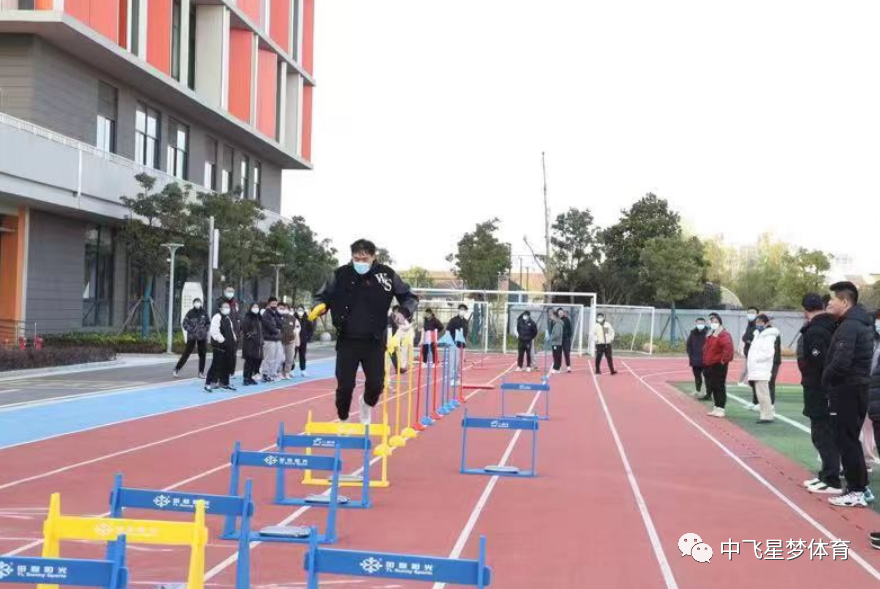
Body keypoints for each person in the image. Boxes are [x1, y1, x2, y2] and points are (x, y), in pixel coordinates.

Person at [311, 238, 418, 424]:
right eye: (356, 258)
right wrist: (319, 306)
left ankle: (366, 404)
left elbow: (410, 297)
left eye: (364, 258)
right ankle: (343, 417)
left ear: (373, 256)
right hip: (347, 339)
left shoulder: (386, 275)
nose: (360, 262)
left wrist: (403, 312)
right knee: (345, 386)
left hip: (374, 340)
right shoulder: (340, 274)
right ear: (351, 256)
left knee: (376, 384)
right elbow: (321, 296)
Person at [823, 281, 875, 508]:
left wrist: (826, 380)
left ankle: (856, 490)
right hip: (856, 387)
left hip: (847, 389)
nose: (830, 302)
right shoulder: (858, 323)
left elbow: (841, 362)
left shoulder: (849, 326)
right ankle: (861, 487)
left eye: (833, 299)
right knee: (850, 438)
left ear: (845, 302)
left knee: (846, 440)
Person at [797, 293, 841, 494]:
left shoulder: (816, 330)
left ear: (805, 309)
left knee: (822, 434)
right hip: (824, 387)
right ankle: (826, 475)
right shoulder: (830, 325)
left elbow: (820, 361)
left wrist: (821, 384)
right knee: (824, 432)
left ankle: (831, 479)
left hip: (820, 388)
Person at [747, 314, 779, 424]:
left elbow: (769, 353)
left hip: (762, 368)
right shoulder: (757, 335)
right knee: (760, 394)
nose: (758, 324)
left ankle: (767, 416)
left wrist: (755, 359)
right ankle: (765, 414)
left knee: (763, 394)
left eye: (760, 322)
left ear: (766, 323)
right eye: (757, 322)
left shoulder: (768, 336)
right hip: (756, 368)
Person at [704, 312, 735, 418]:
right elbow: (708, 349)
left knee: (719, 386)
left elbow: (728, 347)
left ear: (720, 323)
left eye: (716, 321)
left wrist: (723, 360)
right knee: (713, 386)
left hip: (719, 364)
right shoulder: (712, 334)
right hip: (711, 363)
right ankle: (716, 407)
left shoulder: (723, 334)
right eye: (712, 321)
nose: (714, 323)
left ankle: (721, 408)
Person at [205, 301, 237, 392]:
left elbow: (231, 330)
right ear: (220, 308)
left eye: (228, 307)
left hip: (229, 347)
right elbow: (214, 332)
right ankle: (209, 383)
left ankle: (224, 383)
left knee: (227, 365)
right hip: (220, 347)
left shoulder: (227, 318)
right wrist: (223, 341)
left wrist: (234, 339)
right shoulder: (217, 317)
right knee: (216, 365)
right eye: (225, 307)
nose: (227, 308)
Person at [174, 298, 209, 378]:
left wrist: (204, 330)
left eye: (199, 302)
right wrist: (190, 329)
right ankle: (177, 369)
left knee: (202, 354)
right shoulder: (190, 313)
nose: (197, 304)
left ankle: (201, 372)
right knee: (186, 353)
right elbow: (184, 323)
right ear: (193, 303)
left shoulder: (204, 312)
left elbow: (208, 323)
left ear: (201, 303)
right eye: (196, 302)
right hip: (192, 336)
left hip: (202, 337)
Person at [216, 286, 242, 377]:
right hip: (224, 332)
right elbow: (216, 316)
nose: (230, 293)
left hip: (234, 332)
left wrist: (239, 329)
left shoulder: (235, 303)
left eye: (232, 291)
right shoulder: (219, 302)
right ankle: (221, 374)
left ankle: (231, 372)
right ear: (224, 291)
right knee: (224, 354)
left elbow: (238, 316)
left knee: (233, 353)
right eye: (228, 291)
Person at [241, 302, 264, 386]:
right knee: (248, 361)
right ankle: (246, 378)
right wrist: (251, 336)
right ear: (250, 308)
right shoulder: (248, 317)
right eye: (254, 307)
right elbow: (245, 330)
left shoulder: (259, 317)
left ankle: (250, 377)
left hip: (257, 343)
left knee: (254, 361)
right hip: (249, 343)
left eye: (257, 307)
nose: (256, 308)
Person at [261, 296, 284, 382]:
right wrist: (277, 330)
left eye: (276, 303)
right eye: (273, 303)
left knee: (278, 357)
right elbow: (271, 327)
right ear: (269, 304)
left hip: (277, 339)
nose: (274, 305)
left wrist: (277, 314)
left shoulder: (275, 314)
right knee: (269, 358)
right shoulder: (266, 314)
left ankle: (272, 374)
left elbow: (281, 324)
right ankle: (265, 374)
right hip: (269, 339)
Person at [686, 317, 709, 399]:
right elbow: (688, 344)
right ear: (696, 323)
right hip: (695, 359)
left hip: (706, 359)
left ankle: (708, 392)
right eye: (699, 323)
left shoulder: (708, 332)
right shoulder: (692, 332)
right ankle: (697, 390)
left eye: (702, 323)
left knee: (707, 376)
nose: (700, 324)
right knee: (697, 376)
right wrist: (690, 355)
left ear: (705, 323)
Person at [279, 303, 300, 380]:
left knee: (290, 358)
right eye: (283, 308)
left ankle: (287, 372)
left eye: (287, 308)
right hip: (281, 341)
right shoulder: (279, 317)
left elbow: (297, 328)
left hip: (290, 341)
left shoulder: (293, 318)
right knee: (280, 358)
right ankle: (280, 372)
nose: (285, 310)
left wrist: (295, 335)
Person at [740, 306, 759, 388]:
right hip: (748, 350)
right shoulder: (749, 325)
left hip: (755, 351)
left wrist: (751, 341)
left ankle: (746, 382)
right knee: (748, 367)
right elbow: (744, 337)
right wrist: (748, 341)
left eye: (752, 312)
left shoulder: (757, 325)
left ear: (757, 314)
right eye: (749, 312)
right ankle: (741, 381)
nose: (750, 314)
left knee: (751, 368)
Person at [294, 304, 313, 377]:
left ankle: (303, 370)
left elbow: (311, 329)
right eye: (299, 310)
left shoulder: (307, 318)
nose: (300, 311)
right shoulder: (293, 318)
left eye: (301, 310)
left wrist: (308, 337)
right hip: (295, 340)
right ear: (296, 310)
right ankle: (291, 370)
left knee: (302, 355)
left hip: (303, 340)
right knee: (293, 355)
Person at [558, 308, 574, 373]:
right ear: (558, 313)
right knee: (558, 354)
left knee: (566, 353)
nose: (560, 313)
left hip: (566, 339)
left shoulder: (566, 319)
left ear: (563, 313)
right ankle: (559, 367)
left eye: (561, 312)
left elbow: (570, 329)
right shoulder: (556, 320)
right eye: (559, 312)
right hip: (558, 340)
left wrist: (568, 337)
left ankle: (568, 366)